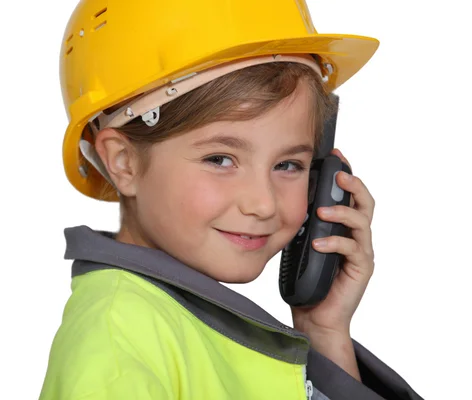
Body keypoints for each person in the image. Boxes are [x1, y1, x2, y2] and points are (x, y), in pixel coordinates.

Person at [39, 0, 423, 399]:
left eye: (289, 165)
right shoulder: (116, 344)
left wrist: (323, 333)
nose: (264, 204)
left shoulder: (178, 319)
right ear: (124, 162)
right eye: (220, 159)